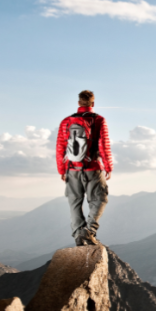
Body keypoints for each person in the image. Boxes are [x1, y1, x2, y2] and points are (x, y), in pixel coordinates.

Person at [55, 90, 113, 246]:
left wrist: (62, 170)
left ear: (78, 103)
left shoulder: (66, 121)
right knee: (100, 199)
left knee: (75, 203)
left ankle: (78, 236)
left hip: (72, 169)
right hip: (93, 168)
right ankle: (89, 231)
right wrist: (108, 166)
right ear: (92, 104)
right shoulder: (99, 120)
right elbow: (104, 146)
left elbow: (60, 147)